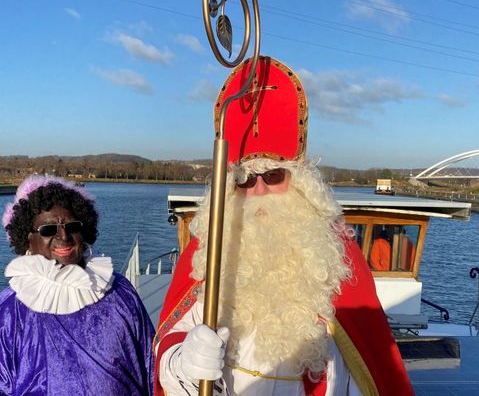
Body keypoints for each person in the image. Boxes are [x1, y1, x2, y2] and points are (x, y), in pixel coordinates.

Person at [154, 57, 413, 396]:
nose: (259, 191)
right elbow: (169, 338)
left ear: (300, 181)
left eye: (273, 176)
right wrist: (182, 363)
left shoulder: (332, 252)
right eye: (245, 179)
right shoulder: (210, 248)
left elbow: (371, 361)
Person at [0, 175, 154, 396]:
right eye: (47, 230)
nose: (63, 236)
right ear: (27, 238)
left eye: (72, 226)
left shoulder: (120, 292)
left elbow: (151, 368)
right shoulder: (6, 313)